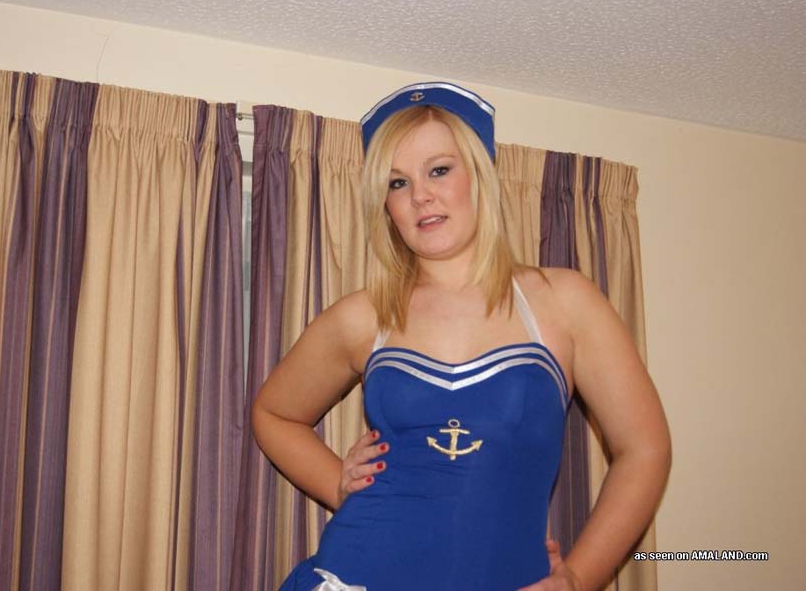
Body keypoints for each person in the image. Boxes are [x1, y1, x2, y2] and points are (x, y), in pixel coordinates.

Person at [251, 82, 671, 591]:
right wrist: (336, 482)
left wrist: (578, 578)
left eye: (439, 170)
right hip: (356, 572)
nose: (420, 195)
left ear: (479, 174)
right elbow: (274, 413)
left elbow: (645, 449)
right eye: (397, 182)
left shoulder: (563, 301)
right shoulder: (365, 316)